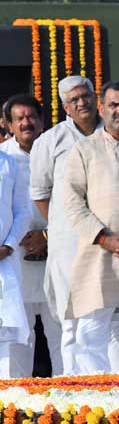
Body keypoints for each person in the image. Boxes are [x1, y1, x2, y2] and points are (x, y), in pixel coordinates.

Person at [63, 81, 119, 374]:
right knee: (90, 334)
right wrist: (104, 238)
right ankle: (93, 393)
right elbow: (72, 202)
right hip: (98, 252)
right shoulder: (83, 150)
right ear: (101, 108)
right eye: (113, 105)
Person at [30, 76, 104, 375]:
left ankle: (114, 384)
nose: (82, 103)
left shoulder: (111, 132)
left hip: (108, 241)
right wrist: (62, 225)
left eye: (86, 96)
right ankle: (73, 383)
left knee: (110, 321)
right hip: (68, 244)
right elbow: (39, 193)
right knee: (70, 321)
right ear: (65, 107)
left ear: (95, 98)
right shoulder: (50, 141)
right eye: (74, 100)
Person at [0, 95, 48, 377]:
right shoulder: (6, 158)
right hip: (15, 257)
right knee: (17, 335)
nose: (26, 123)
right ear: (8, 124)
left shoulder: (58, 150)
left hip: (52, 254)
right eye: (19, 118)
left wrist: (46, 236)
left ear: (42, 121)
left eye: (31, 117)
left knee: (63, 333)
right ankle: (16, 398)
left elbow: (23, 210)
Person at [0, 131, 32, 378]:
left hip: (5, 261)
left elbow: (23, 211)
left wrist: (9, 245)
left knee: (7, 336)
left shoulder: (8, 163)